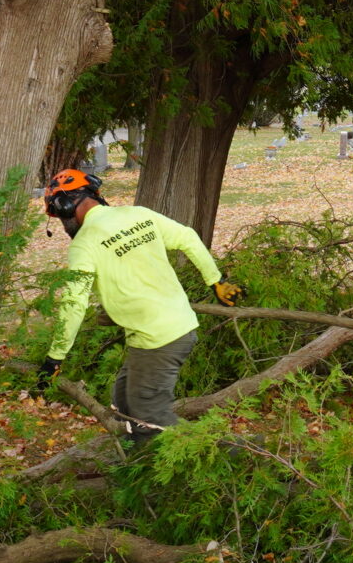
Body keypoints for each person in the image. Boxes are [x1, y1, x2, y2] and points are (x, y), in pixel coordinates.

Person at [31, 168, 245, 441]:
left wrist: (54, 358)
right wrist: (217, 282)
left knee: (151, 421)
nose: (63, 227)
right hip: (174, 327)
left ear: (64, 207)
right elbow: (188, 237)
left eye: (59, 218)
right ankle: (138, 468)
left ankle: (229, 458)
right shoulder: (138, 215)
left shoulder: (84, 245)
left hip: (157, 339)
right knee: (124, 404)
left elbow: (74, 304)